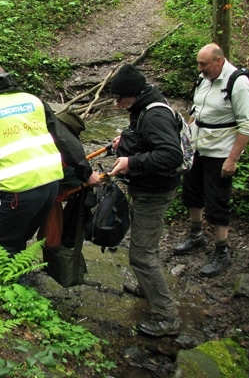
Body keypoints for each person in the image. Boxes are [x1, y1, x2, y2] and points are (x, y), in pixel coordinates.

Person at [0, 62, 100, 256]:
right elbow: (65, 139)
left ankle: (10, 284)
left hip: (21, 190)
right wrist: (86, 171)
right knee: (19, 239)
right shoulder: (33, 101)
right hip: (50, 186)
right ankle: (20, 282)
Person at [107, 63, 183, 337]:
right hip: (147, 187)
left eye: (120, 99)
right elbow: (147, 140)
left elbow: (172, 155)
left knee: (140, 255)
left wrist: (131, 160)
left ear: (134, 94)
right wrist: (126, 138)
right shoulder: (145, 106)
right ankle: (147, 288)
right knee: (146, 247)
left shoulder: (154, 116)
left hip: (154, 191)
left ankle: (166, 317)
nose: (117, 105)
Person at [174, 43, 249, 276]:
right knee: (191, 193)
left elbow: (247, 125)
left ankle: (222, 250)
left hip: (220, 153)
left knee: (218, 201)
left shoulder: (238, 83)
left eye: (204, 64)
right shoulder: (203, 79)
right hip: (197, 146)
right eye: (199, 64)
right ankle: (195, 234)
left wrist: (233, 159)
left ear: (218, 61)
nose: (200, 69)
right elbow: (196, 111)